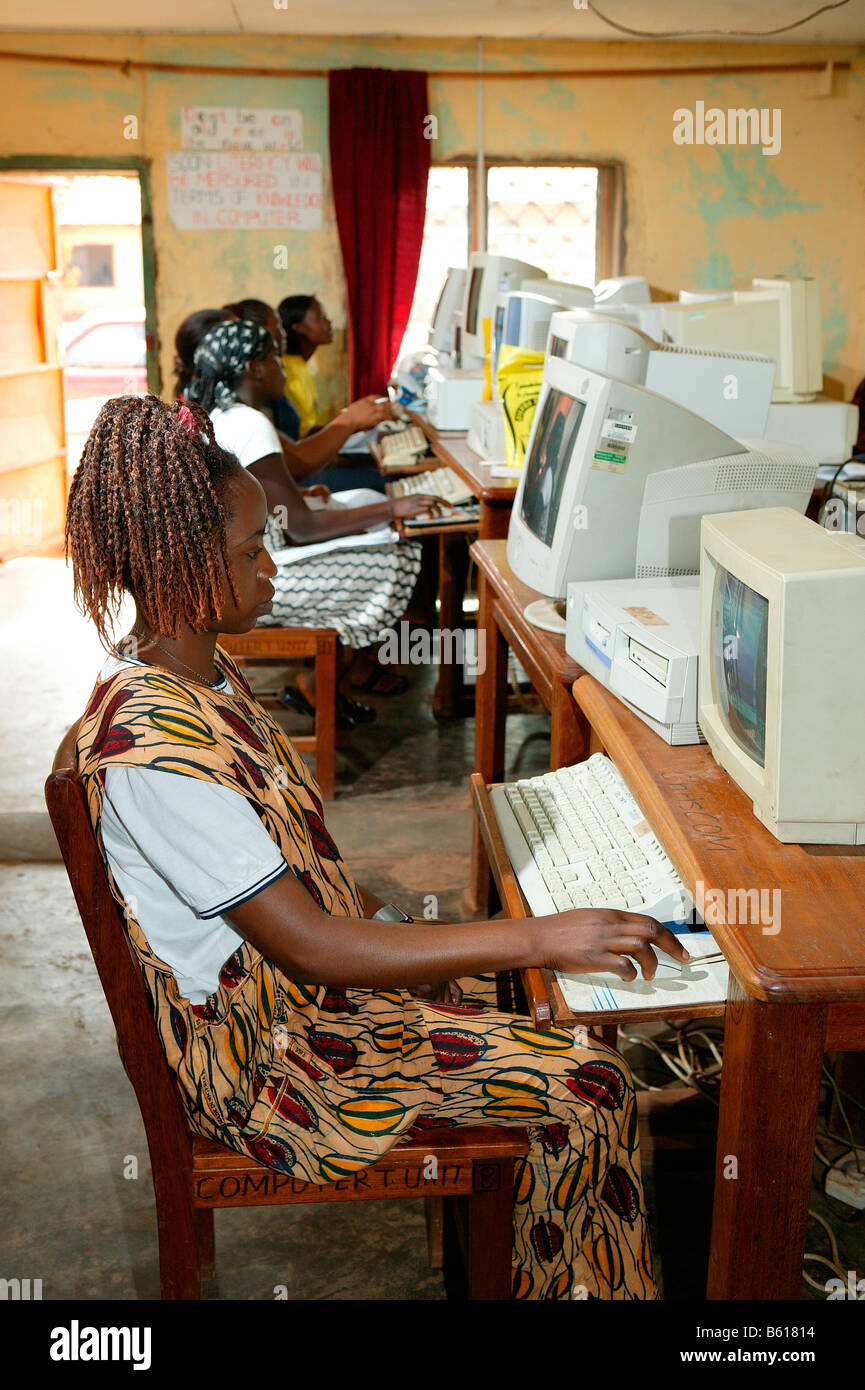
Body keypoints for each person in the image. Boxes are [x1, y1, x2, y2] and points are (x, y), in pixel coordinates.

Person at [64, 392, 686, 1298]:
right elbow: (309, 945)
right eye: (250, 551)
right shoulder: (152, 751)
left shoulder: (195, 674)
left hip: (301, 1006)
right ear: (177, 566)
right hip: (274, 1067)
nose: (272, 568)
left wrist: (422, 939)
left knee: (543, 1002)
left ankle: (537, 1253)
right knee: (587, 1086)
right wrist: (540, 933)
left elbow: (301, 905)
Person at [187, 319, 440, 724]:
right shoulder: (250, 423)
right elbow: (301, 528)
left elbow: (268, 500)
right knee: (399, 554)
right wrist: (393, 509)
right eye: (274, 358)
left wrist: (300, 497)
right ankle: (324, 684)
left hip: (239, 568)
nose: (283, 367)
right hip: (262, 579)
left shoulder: (225, 413)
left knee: (371, 527)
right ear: (253, 368)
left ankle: (340, 682)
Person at [174, 305, 389, 492]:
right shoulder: (239, 415)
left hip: (280, 498)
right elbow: (295, 469)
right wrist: (349, 420)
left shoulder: (227, 406)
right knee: (382, 483)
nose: (280, 332)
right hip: (286, 501)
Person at [278, 294, 334, 437]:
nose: (329, 322)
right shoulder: (285, 369)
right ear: (297, 327)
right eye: (320, 318)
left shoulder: (300, 364)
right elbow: (301, 435)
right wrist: (351, 422)